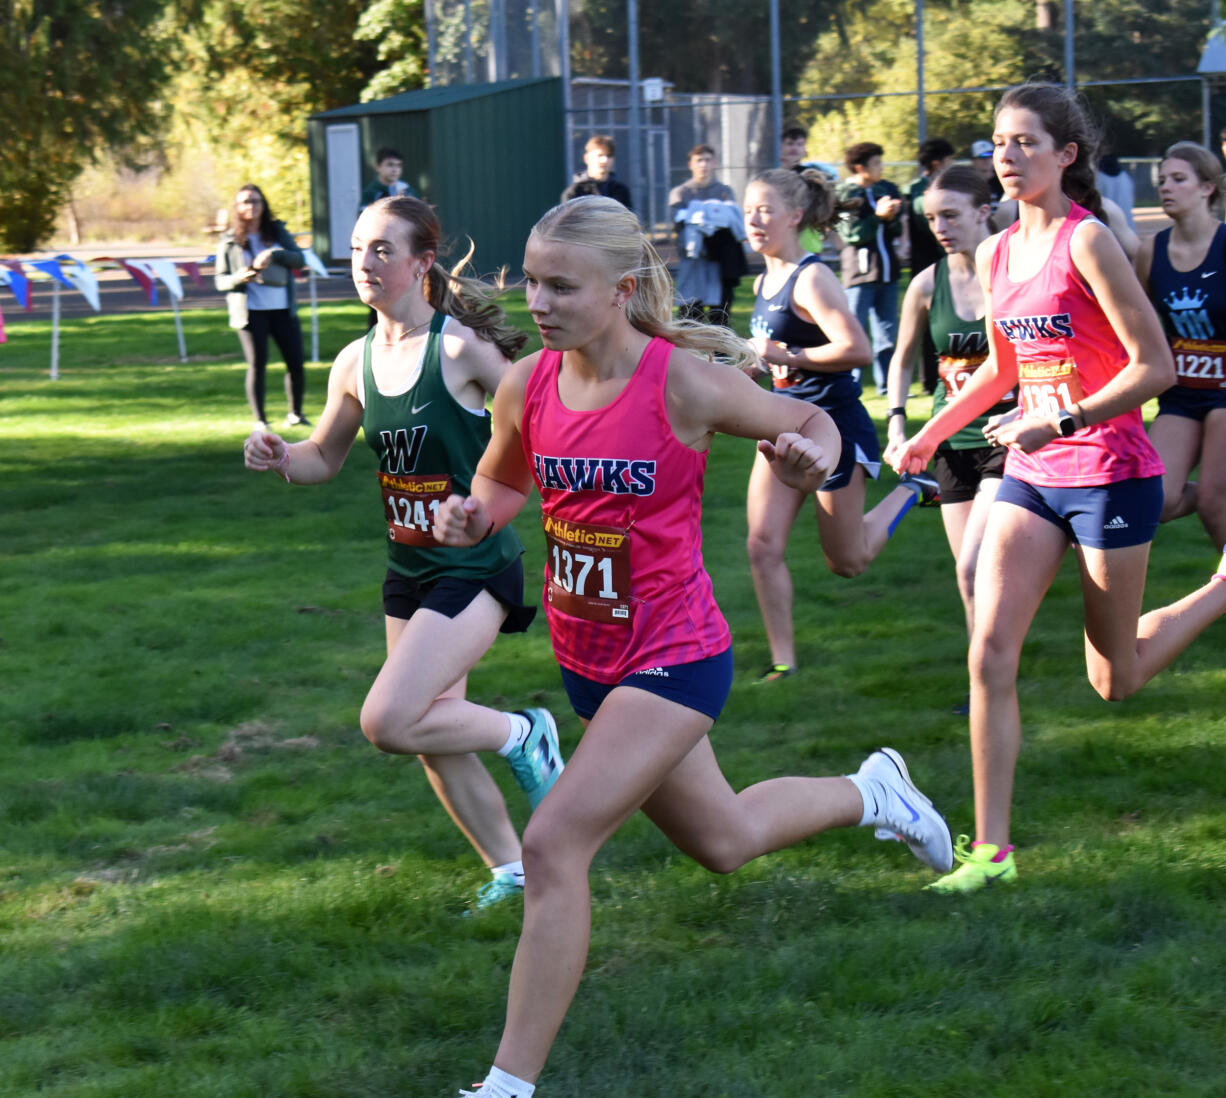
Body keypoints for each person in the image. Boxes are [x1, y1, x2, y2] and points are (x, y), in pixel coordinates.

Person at [434, 195, 953, 1097]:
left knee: (555, 846)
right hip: (587, 654)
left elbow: (819, 422)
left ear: (622, 289)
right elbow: (501, 485)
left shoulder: (681, 382)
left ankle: (507, 1087)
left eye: (562, 285)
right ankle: (873, 793)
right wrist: (469, 516)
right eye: (530, 280)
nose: (539, 302)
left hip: (676, 654)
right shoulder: (529, 384)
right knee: (724, 839)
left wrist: (810, 461)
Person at [893, 82, 1226, 894]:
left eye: (1024, 143)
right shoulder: (1000, 250)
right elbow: (1005, 369)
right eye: (997, 144)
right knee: (989, 651)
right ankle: (992, 852)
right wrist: (932, 433)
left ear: (1065, 156)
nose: (1005, 157)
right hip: (1032, 477)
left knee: (1116, 677)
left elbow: (1158, 367)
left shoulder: (1090, 244)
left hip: (1111, 473)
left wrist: (1064, 417)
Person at [242, 195, 565, 911]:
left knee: (388, 719)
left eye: (383, 249)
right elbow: (321, 458)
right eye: (358, 248)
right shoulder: (355, 360)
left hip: (478, 567)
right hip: (409, 570)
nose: (365, 262)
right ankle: (513, 872)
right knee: (427, 730)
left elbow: (540, 433)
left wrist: (483, 502)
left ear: (422, 263)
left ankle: (523, 732)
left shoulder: (459, 349)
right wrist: (276, 454)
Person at [744, 168, 940, 682]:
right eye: (748, 210)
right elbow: (776, 357)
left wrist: (787, 352)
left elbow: (854, 348)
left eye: (765, 210)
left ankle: (912, 490)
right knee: (761, 546)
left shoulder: (811, 277)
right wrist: (756, 365)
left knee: (847, 561)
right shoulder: (764, 279)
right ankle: (783, 661)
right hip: (781, 426)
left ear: (794, 216)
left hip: (832, 429)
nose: (754, 220)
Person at [884, 165, 1015, 711]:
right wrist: (896, 421)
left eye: (952, 215)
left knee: (974, 565)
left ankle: (992, 678)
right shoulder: (926, 283)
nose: (940, 227)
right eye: (932, 217)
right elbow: (902, 358)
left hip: (1008, 438)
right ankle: (983, 678)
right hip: (949, 443)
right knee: (969, 577)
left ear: (984, 212)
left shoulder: (1012, 272)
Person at [1135, 141, 1226, 549]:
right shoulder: (1151, 251)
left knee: (1212, 501)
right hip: (1181, 392)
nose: (1165, 188)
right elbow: (1133, 325)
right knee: (1156, 501)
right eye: (1162, 181)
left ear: (1207, 188)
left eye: (1178, 179)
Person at [214, 184, 310, 430]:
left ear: (264, 204)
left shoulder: (277, 231)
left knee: (295, 362)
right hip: (250, 311)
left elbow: (299, 259)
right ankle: (261, 420)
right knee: (257, 364)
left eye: (256, 201)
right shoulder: (229, 240)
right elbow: (220, 280)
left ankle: (296, 414)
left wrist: (275, 255)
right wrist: (239, 277)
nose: (251, 206)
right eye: (245, 202)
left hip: (282, 309)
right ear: (236, 207)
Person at [836, 141, 905, 392]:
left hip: (887, 272)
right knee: (853, 331)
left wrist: (892, 216)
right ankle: (851, 384)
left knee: (886, 332)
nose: (881, 168)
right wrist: (877, 216)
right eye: (876, 163)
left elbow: (894, 230)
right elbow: (852, 234)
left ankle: (886, 385)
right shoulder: (846, 194)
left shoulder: (883, 189)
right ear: (859, 167)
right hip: (859, 275)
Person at [669, 144, 747, 325]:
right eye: (699, 160)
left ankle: (720, 352)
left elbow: (730, 222)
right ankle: (688, 352)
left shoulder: (724, 191)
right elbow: (679, 222)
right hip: (693, 259)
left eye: (707, 160)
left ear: (715, 163)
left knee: (719, 312)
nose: (703, 164)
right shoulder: (681, 192)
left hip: (719, 260)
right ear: (690, 164)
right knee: (689, 312)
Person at [906, 137, 957, 394]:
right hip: (927, 267)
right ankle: (930, 380)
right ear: (938, 163)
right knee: (927, 329)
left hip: (947, 266)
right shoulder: (918, 190)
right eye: (949, 160)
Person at [561, 134, 633, 210]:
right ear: (587, 158)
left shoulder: (621, 191)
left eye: (609, 156)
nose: (604, 160)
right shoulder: (574, 192)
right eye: (600, 155)